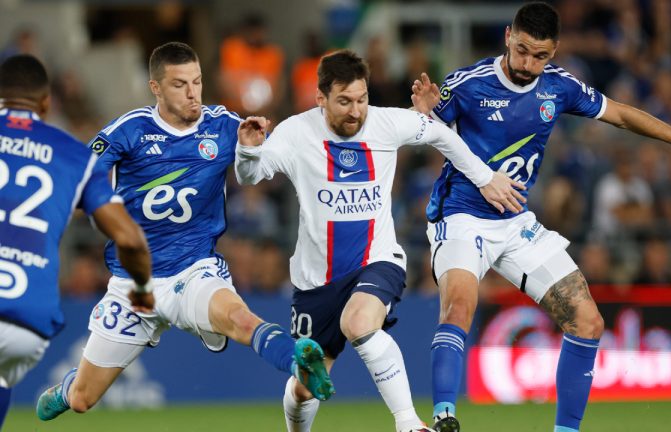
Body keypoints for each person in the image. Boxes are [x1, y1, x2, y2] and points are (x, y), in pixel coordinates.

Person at [410, 3, 671, 431]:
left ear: (555, 51)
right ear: (507, 36)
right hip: (460, 215)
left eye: (541, 56)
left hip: (514, 221)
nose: (529, 64)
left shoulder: (558, 87)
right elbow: (425, 131)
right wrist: (423, 114)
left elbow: (621, 113)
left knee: (588, 321)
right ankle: (444, 420)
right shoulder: (469, 84)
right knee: (459, 306)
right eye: (523, 50)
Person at [36, 42, 334, 422]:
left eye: (197, 82)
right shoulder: (131, 130)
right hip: (133, 284)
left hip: (193, 270)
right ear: (156, 88)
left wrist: (251, 149)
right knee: (82, 399)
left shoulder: (224, 126)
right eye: (179, 85)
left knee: (239, 318)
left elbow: (266, 162)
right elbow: (79, 170)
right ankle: (68, 388)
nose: (193, 93)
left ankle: (297, 360)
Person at [235, 49, 524, 432]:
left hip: (378, 259)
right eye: (344, 102)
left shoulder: (386, 123)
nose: (356, 111)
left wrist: (485, 178)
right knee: (306, 387)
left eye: (362, 99)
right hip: (316, 280)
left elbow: (442, 136)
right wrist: (248, 149)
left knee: (359, 321)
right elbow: (250, 176)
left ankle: (408, 424)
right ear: (320, 98)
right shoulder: (295, 133)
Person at [0, 54, 152, 428]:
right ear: (47, 103)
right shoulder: (74, 156)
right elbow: (130, 240)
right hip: (28, 317)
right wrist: (143, 288)